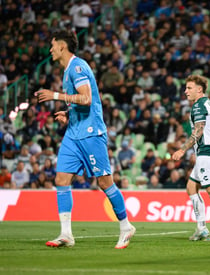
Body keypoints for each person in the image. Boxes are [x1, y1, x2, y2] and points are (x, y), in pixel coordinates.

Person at [35, 30, 135, 249]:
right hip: (73, 132)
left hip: (91, 132)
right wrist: (68, 114)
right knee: (61, 179)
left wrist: (56, 96)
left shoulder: (78, 66)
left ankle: (126, 226)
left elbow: (87, 99)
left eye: (52, 45)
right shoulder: (67, 70)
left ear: (62, 46)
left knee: (104, 182)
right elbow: (79, 102)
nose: (50, 49)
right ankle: (66, 234)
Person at [172, 75, 210, 241]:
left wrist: (182, 150)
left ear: (199, 89)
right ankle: (201, 228)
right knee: (191, 187)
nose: (185, 91)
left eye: (189, 88)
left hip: (207, 154)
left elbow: (199, 130)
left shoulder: (198, 106)